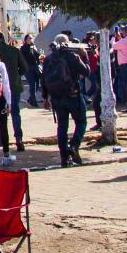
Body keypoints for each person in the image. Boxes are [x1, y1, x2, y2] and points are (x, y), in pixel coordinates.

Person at [43, 36, 90, 167]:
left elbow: (44, 79)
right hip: (73, 95)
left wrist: (45, 98)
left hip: (57, 97)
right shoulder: (72, 56)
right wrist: (85, 57)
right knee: (81, 121)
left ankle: (64, 158)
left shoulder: (48, 59)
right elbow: (86, 72)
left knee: (62, 127)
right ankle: (74, 145)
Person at [0, 31, 26, 152]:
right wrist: (16, 75)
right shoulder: (14, 50)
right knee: (15, 112)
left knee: (1, 114)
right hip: (14, 85)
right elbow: (24, 67)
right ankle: (19, 138)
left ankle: (3, 137)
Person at [20, 33, 42, 107]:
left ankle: (30, 99)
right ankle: (34, 101)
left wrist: (40, 55)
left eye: (32, 38)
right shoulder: (23, 48)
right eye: (29, 38)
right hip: (28, 68)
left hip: (35, 67)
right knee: (32, 84)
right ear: (26, 40)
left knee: (37, 84)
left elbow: (37, 55)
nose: (31, 40)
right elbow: (26, 57)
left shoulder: (33, 47)